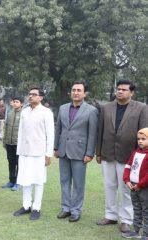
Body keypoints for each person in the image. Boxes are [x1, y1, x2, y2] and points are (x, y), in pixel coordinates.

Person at [96, 80, 148, 232]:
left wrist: (142, 154)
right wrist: (98, 152)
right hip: (107, 153)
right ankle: (110, 216)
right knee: (109, 186)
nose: (120, 92)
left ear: (132, 92)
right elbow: (101, 130)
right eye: (118, 89)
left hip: (129, 156)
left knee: (126, 189)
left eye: (124, 90)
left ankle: (126, 219)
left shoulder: (141, 108)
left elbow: (145, 132)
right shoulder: (106, 107)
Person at [54, 81, 99, 222]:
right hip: (63, 150)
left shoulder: (91, 110)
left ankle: (76, 210)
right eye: (73, 90)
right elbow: (58, 129)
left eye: (79, 90)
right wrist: (56, 147)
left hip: (80, 152)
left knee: (78, 183)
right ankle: (66, 208)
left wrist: (90, 153)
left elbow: (93, 133)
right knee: (64, 181)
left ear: (85, 93)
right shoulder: (63, 108)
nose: (76, 92)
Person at [13, 87, 54, 220]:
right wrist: (19, 150)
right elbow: (20, 132)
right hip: (24, 152)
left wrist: (48, 154)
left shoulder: (46, 112)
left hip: (39, 152)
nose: (31, 96)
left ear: (41, 97)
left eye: (34, 94)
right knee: (25, 180)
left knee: (38, 180)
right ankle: (26, 206)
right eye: (29, 94)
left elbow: (50, 134)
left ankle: (36, 208)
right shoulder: (24, 112)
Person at [122, 128, 148, 239]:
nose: (140, 141)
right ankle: (136, 231)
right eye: (138, 139)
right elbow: (128, 166)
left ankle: (146, 234)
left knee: (146, 210)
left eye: (143, 139)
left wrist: (140, 185)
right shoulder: (135, 152)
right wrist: (127, 180)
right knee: (136, 208)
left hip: (143, 188)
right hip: (133, 186)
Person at [2, 96, 24, 191]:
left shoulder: (24, 114)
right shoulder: (10, 113)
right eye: (14, 101)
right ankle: (11, 181)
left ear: (21, 104)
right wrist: (4, 141)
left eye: (17, 101)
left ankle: (18, 183)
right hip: (9, 143)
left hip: (19, 144)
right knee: (11, 162)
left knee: (19, 163)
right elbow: (5, 127)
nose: (15, 103)